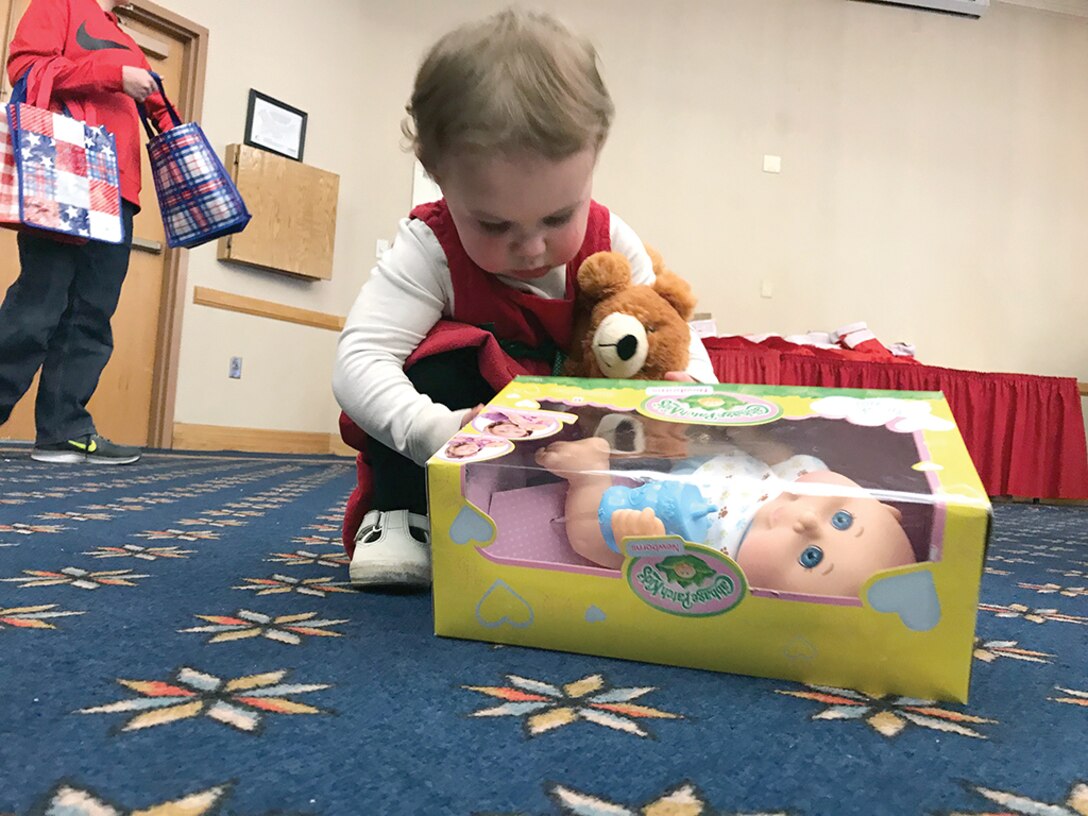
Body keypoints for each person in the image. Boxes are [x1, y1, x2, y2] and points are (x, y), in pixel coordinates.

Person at [333, 8, 716, 589]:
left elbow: (671, 341)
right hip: (457, 440)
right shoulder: (429, 249)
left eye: (559, 216)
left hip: (573, 450)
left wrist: (693, 398)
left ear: (594, 157)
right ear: (437, 175)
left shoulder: (613, 242)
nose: (532, 246)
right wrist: (437, 432)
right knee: (440, 358)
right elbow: (360, 361)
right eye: (492, 224)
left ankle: (585, 521)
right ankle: (403, 516)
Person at [0, 0, 173, 465]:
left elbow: (154, 110)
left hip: (119, 191)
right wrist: (116, 74)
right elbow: (27, 69)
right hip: (64, 174)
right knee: (39, 302)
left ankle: (64, 430)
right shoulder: (58, 5)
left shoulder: (128, 38)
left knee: (93, 315)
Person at [535, 435, 916, 598]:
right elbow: (779, 454)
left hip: (673, 511)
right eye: (842, 521)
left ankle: (588, 472)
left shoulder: (721, 558)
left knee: (590, 540)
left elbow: (666, 581)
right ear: (885, 506)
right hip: (708, 460)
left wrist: (643, 544)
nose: (811, 524)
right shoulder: (799, 477)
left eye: (810, 557)